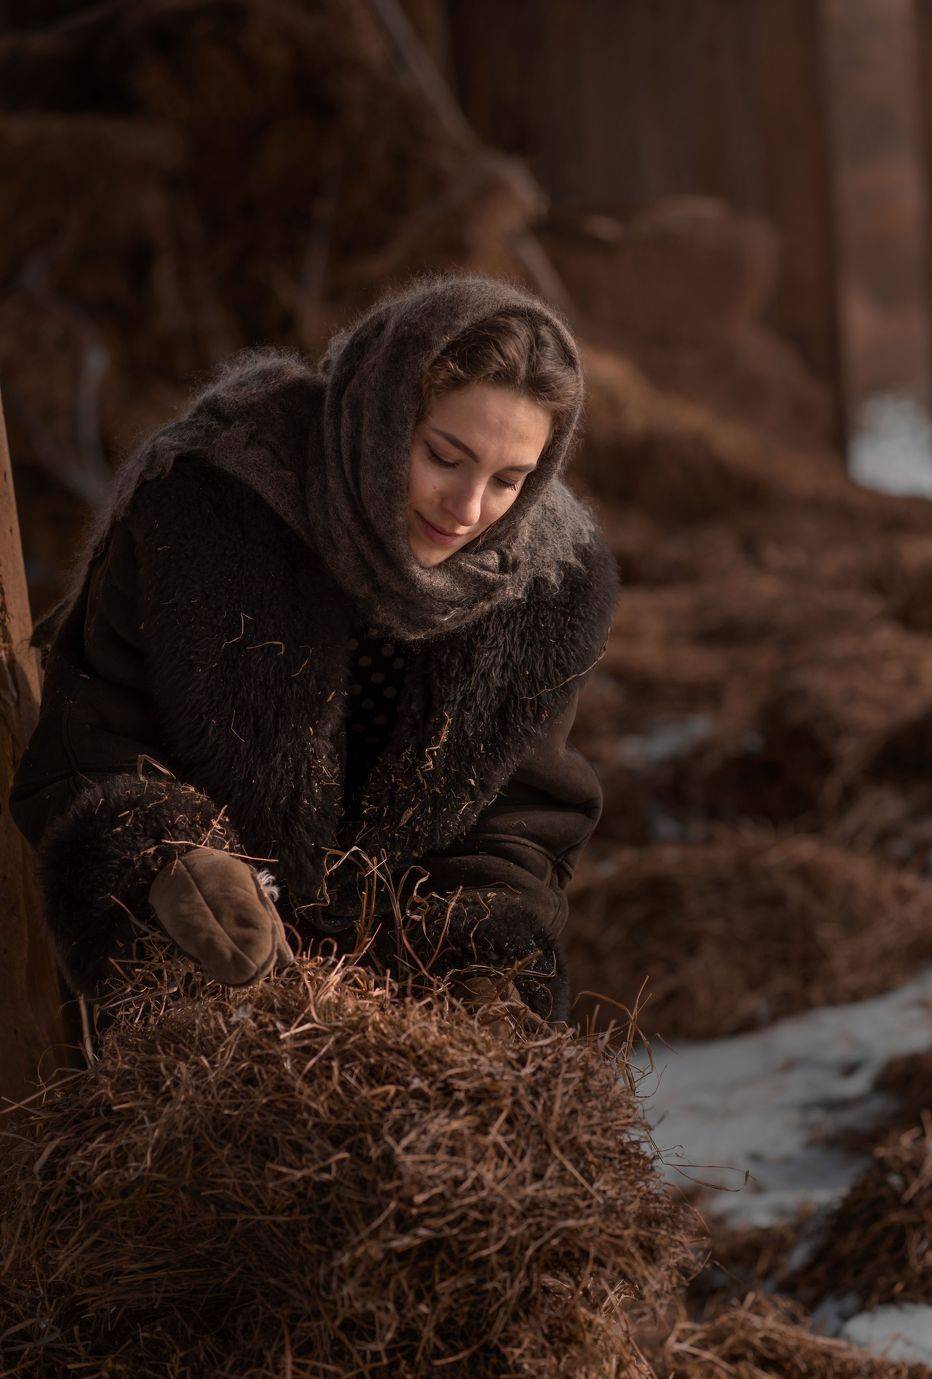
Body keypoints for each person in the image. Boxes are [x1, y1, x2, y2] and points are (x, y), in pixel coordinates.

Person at [9, 272, 619, 1023]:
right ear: (383, 418)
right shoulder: (208, 505)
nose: (467, 509)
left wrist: (478, 957)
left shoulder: (546, 590)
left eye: (509, 480)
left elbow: (520, 815)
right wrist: (171, 861)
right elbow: (92, 738)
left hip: (398, 1012)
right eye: (443, 456)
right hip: (195, 989)